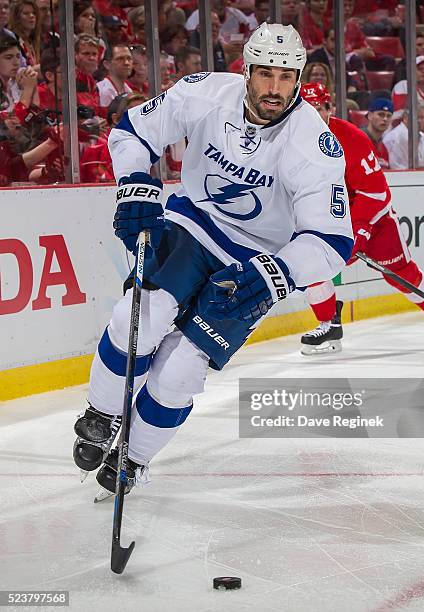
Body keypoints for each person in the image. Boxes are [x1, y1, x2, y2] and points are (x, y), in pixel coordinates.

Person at [72, 23, 353, 494]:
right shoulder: (204, 93)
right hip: (194, 221)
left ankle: (134, 457)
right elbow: (131, 133)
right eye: (265, 74)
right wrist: (135, 186)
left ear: (299, 78)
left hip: (255, 259)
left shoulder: (314, 143)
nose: (275, 88)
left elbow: (330, 239)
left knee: (181, 370)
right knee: (139, 315)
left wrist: (279, 273)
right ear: (246, 70)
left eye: (286, 77)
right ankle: (102, 411)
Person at [298, 82, 424, 355]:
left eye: (320, 108)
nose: (314, 115)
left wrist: (359, 231)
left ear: (330, 108)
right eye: (308, 109)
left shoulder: (352, 137)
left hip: (375, 220)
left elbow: (375, 192)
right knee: (312, 267)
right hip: (328, 222)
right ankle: (329, 323)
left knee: (400, 272)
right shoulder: (290, 140)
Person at [96, 43, 133, 109]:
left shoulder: (128, 90)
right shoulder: (103, 90)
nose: (126, 63)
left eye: (129, 58)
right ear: (107, 64)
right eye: (120, 59)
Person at [362, 97, 392, 169]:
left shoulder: (383, 147)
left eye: (389, 116)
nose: (385, 119)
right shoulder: (358, 139)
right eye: (381, 114)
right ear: (370, 116)